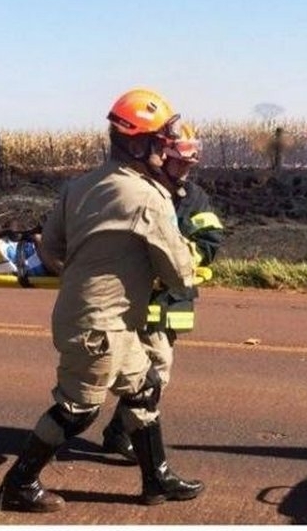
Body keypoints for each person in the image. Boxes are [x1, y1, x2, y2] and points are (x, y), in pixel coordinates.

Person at [0, 88, 203, 512]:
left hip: (100, 319)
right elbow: (180, 274)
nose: (167, 149)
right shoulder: (148, 196)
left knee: (143, 389)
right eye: (160, 140)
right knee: (77, 410)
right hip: (100, 327)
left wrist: (88, 272)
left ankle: (157, 480)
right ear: (136, 143)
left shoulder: (80, 186)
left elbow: (51, 249)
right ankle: (18, 483)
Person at [100, 122, 223, 462]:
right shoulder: (138, 192)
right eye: (178, 163)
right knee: (148, 372)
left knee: (155, 371)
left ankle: (118, 430)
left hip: (167, 303)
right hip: (128, 298)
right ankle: (128, 436)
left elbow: (210, 241)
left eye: (188, 165)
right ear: (160, 157)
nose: (184, 171)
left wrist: (181, 257)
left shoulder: (194, 199)